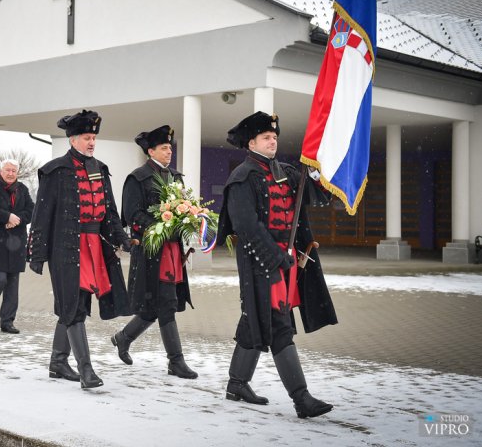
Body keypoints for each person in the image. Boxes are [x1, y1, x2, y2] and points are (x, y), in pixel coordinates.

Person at [217, 111, 337, 419]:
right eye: (267, 137)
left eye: (275, 137)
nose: (273, 141)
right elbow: (246, 226)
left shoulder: (285, 171)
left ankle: (237, 383)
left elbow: (318, 196)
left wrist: (313, 172)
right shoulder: (242, 177)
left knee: (255, 319)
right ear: (252, 142)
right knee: (278, 325)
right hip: (260, 262)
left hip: (286, 262)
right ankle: (301, 398)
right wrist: (276, 256)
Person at [28, 109, 132, 389]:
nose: (91, 142)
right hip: (65, 247)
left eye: (94, 137)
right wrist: (37, 253)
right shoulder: (55, 171)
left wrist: (123, 239)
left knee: (77, 307)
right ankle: (86, 370)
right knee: (72, 307)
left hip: (94, 247)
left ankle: (58, 361)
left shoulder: (100, 169)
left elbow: (110, 212)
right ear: (72, 140)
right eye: (86, 137)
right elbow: (41, 214)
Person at [114, 125, 197, 379]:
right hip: (150, 252)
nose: (169, 151)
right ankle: (176, 361)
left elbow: (185, 208)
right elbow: (131, 215)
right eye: (164, 147)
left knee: (155, 307)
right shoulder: (137, 177)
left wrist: (188, 221)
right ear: (150, 151)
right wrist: (160, 227)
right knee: (166, 305)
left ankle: (122, 338)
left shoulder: (176, 177)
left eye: (170, 147)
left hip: (172, 252)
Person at [0, 158, 35, 334]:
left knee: (12, 284)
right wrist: (7, 217)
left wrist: (16, 221)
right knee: (0, 279)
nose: (11, 173)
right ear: (1, 171)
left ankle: (7, 322)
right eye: (7, 170)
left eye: (13, 171)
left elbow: (31, 210)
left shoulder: (22, 189)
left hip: (16, 243)